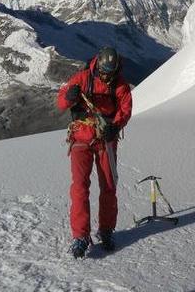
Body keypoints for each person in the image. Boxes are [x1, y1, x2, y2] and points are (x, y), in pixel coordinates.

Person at [57, 46, 133, 258]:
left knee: (108, 185)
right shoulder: (83, 78)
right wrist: (70, 96)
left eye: (109, 73)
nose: (105, 76)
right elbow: (61, 102)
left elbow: (125, 110)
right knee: (80, 187)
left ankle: (106, 230)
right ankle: (80, 236)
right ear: (98, 64)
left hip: (105, 140)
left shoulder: (120, 85)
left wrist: (115, 126)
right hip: (82, 138)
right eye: (103, 71)